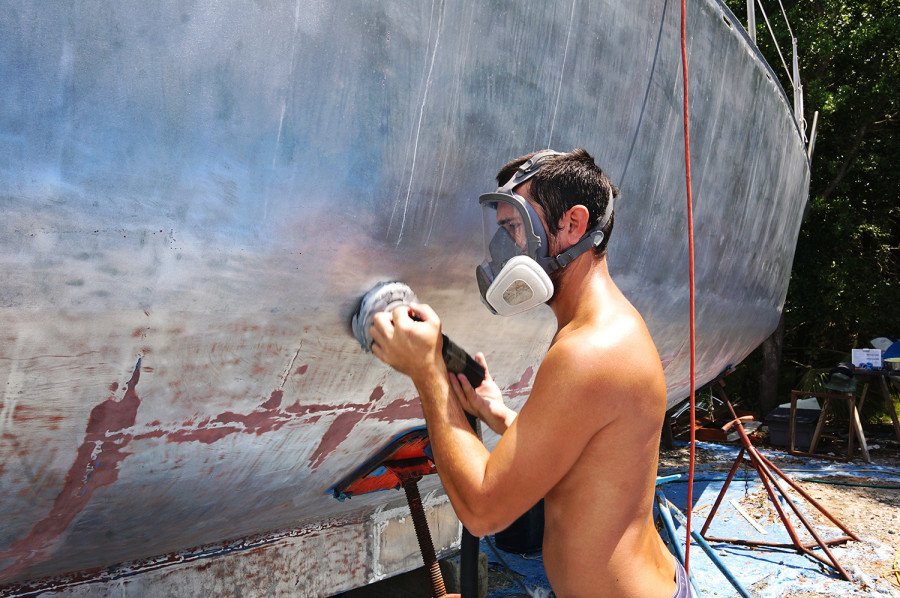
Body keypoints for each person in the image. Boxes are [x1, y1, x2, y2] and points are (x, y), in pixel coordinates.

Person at [369, 149, 687, 597]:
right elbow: (581, 460)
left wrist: (427, 374)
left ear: (573, 226)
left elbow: (483, 511)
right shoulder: (603, 328)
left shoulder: (589, 352)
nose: (506, 248)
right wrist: (497, 413)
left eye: (513, 227)